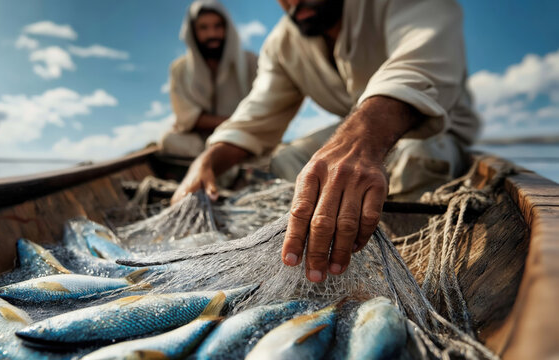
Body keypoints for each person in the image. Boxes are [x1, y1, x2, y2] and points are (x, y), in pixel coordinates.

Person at [172, 0, 480, 283]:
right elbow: (257, 115)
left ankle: (412, 258)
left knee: (419, 154)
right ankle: (329, 237)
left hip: (437, 126)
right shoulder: (283, 43)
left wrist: (359, 143)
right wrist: (208, 160)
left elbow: (421, 63)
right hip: (358, 131)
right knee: (289, 160)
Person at [159, 0, 259, 158]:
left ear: (226, 28)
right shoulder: (179, 69)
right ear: (194, 32)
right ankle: (220, 164)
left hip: (242, 136)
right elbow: (186, 118)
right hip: (200, 142)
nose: (212, 34)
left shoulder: (250, 62)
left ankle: (217, 164)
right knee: (170, 139)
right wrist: (229, 121)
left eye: (217, 26)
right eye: (203, 28)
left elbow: (263, 108)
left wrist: (236, 126)